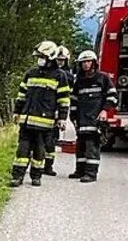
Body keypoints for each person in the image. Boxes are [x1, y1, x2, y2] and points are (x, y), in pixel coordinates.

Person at [11, 41, 71, 187]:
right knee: (22, 151)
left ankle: (36, 176)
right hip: (26, 121)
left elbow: (64, 99)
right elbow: (21, 95)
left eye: (42, 56)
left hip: (44, 123)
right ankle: (17, 177)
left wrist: (62, 118)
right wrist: (17, 112)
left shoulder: (60, 76)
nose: (39, 59)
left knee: (39, 151)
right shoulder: (30, 74)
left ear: (50, 57)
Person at [69, 50, 117, 182]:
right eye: (83, 62)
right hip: (81, 118)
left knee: (92, 146)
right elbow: (73, 99)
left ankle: (91, 174)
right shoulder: (78, 80)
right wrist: (73, 117)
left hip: (95, 118)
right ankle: (80, 170)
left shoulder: (103, 78)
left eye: (88, 61)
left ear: (94, 63)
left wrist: (105, 110)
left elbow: (113, 96)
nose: (86, 64)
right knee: (81, 146)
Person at [43, 45, 74, 177]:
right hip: (45, 110)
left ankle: (48, 166)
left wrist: (62, 116)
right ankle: (39, 164)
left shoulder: (67, 75)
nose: (60, 62)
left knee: (51, 140)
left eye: (63, 60)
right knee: (40, 140)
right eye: (58, 59)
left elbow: (65, 97)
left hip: (56, 112)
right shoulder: (49, 72)